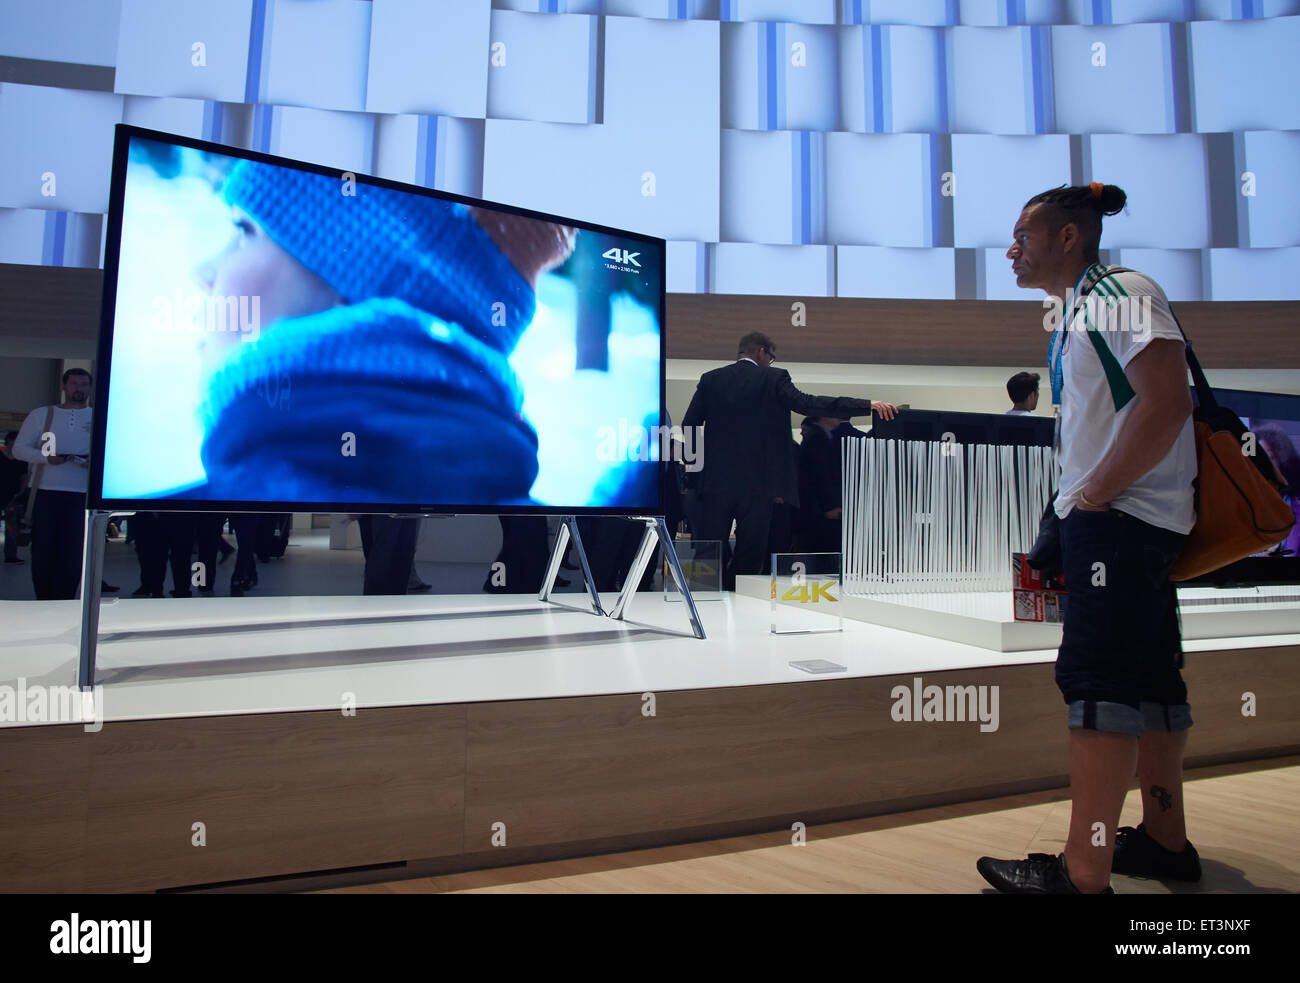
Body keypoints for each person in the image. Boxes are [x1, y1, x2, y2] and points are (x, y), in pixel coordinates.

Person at [978, 182, 1199, 895]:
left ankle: (1081, 871)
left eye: (1024, 235)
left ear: (1069, 237)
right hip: (1125, 526)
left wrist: (1095, 495)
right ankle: (1165, 842)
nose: (1012, 249)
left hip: (1120, 525)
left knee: (1097, 685)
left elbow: (1166, 403)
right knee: (1151, 683)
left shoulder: (1119, 291)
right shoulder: (1082, 308)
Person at [681, 332, 898, 589]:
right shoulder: (774, 378)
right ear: (762, 352)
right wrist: (866, 405)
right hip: (759, 485)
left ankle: (703, 609)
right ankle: (740, 611)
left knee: (710, 553)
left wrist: (696, 474)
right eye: (770, 358)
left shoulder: (711, 379)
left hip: (716, 483)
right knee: (750, 556)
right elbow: (809, 403)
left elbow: (689, 425)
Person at [12, 369, 96, 599]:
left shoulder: (98, 416)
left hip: (82, 496)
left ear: (90, 388)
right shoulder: (42, 415)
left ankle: (65, 600)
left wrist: (93, 463)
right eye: (74, 384)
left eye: (84, 384)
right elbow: (19, 449)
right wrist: (46, 458)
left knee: (73, 553)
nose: (79, 389)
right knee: (43, 552)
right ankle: (44, 599)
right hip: (45, 493)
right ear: (64, 386)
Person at [798, 417, 843, 553]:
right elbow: (820, 474)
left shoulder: (817, 438)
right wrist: (829, 506)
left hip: (817, 508)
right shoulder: (818, 439)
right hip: (820, 510)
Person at [1, 431, 28, 564]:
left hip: (12, 496)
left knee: (12, 526)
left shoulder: (20, 460)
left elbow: (24, 477)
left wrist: (22, 491)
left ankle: (10, 555)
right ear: (9, 441)